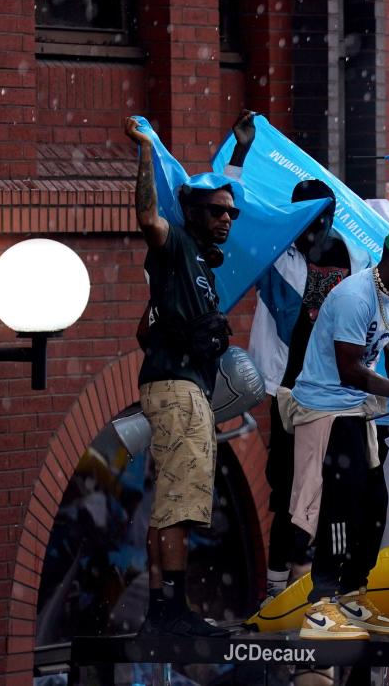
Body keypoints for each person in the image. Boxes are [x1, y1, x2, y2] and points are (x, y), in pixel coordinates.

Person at [223, 116, 364, 602]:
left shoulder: (352, 257)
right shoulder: (276, 254)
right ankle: (280, 584)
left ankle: (330, 584)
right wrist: (240, 156)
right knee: (285, 487)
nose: (311, 227)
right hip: (287, 391)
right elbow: (231, 213)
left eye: (318, 217)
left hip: (336, 390)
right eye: (302, 216)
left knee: (339, 487)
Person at [289, 226, 389, 639]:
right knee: (340, 504)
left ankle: (353, 593)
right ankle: (320, 604)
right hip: (324, 408)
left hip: (356, 410)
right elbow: (350, 370)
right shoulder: (354, 297)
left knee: (376, 504)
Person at [124, 116, 238, 637]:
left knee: (180, 498)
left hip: (186, 386)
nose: (226, 219)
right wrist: (146, 150)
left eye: (231, 213)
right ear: (192, 211)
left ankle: (165, 609)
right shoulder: (174, 246)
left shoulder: (203, 267)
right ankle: (169, 610)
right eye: (216, 210)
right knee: (179, 501)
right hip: (176, 387)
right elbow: (147, 214)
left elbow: (149, 327)